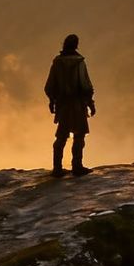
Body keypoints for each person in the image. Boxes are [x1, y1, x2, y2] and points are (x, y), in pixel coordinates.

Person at [44, 32, 95, 177]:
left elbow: (49, 86)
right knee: (79, 136)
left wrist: (52, 101)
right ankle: (77, 166)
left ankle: (57, 168)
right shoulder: (79, 62)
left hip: (63, 105)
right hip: (78, 105)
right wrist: (91, 104)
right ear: (76, 45)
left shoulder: (57, 62)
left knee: (61, 136)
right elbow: (86, 86)